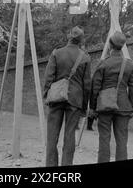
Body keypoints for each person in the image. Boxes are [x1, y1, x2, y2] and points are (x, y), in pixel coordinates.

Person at [43, 26, 91, 166]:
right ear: (81, 40)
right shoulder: (85, 57)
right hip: (75, 100)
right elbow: (87, 85)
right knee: (70, 136)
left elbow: (48, 77)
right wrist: (84, 106)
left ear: (69, 37)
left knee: (52, 136)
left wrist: (47, 96)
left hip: (56, 97)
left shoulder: (56, 53)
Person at [90, 31, 133, 163]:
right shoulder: (130, 65)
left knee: (104, 141)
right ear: (122, 46)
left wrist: (93, 107)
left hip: (105, 106)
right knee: (122, 142)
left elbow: (95, 88)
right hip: (124, 108)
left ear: (110, 45)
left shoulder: (103, 64)